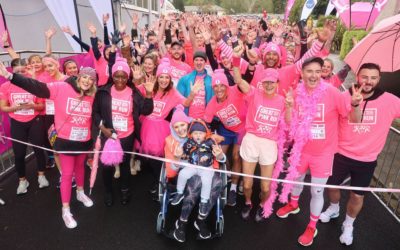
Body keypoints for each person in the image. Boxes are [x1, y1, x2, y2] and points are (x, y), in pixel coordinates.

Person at [275, 57, 363, 246]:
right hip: (300, 149)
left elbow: (352, 118)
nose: (314, 75)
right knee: (296, 180)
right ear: (302, 73)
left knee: (316, 191)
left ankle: (311, 226)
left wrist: (355, 104)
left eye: (317, 71)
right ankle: (293, 204)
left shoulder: (332, 93)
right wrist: (289, 108)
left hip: (323, 154)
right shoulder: (296, 93)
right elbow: (290, 124)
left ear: (322, 72)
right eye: (309, 71)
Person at [0, 63, 97, 229]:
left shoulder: (91, 95)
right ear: (79, 77)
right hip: (66, 141)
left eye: (91, 79)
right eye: (85, 77)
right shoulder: (61, 87)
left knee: (80, 168)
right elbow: (37, 87)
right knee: (67, 174)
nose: (87, 81)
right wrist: (11, 77)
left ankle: (80, 193)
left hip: (83, 140)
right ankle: (65, 210)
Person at [319, 63, 400, 246]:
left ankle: (349, 224)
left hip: (366, 159)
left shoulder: (390, 100)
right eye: (365, 77)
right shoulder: (343, 96)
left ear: (379, 79)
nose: (368, 81)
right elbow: (342, 119)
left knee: (357, 196)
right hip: (340, 154)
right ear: (357, 77)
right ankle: (333, 209)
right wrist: (354, 103)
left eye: (373, 77)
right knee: (332, 187)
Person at [231, 45, 293, 221]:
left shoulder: (282, 100)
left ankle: (261, 204)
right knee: (248, 183)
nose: (269, 85)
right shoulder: (253, 94)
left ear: (277, 84)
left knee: (266, 188)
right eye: (266, 82)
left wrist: (289, 107)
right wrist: (236, 59)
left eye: (272, 82)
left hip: (269, 143)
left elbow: (288, 122)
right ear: (262, 83)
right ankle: (249, 202)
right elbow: (238, 79)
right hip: (251, 140)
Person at [92, 57, 154, 206]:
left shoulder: (133, 93)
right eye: (117, 76)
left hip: (127, 135)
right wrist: (103, 129)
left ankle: (125, 189)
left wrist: (149, 94)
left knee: (125, 164)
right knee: (106, 166)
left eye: (123, 76)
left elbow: (146, 110)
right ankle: (108, 191)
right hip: (109, 135)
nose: (120, 79)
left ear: (128, 77)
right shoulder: (103, 92)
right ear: (112, 76)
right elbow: (95, 113)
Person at [164, 106, 224, 241]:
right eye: (176, 126)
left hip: (207, 169)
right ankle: (182, 222)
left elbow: (218, 156)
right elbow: (172, 168)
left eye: (183, 125)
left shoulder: (203, 136)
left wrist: (219, 155)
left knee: (217, 183)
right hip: (185, 173)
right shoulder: (171, 141)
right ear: (172, 128)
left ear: (188, 124)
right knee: (195, 183)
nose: (180, 129)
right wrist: (178, 157)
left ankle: (200, 219)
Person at [0, 58, 48, 194]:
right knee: (19, 154)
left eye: (23, 71)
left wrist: (33, 105)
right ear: (11, 71)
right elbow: (3, 107)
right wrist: (13, 108)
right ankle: (22, 180)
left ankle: (41, 175)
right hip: (17, 122)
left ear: (27, 69)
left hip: (34, 120)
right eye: (17, 72)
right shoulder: (5, 86)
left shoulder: (33, 84)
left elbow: (41, 105)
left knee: (39, 149)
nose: (21, 74)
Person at [203, 69, 247, 206]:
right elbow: (205, 124)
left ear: (227, 85)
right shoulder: (212, 104)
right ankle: (230, 173)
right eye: (216, 86)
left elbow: (244, 82)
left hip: (243, 128)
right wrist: (211, 134)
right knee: (220, 154)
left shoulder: (235, 90)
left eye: (222, 85)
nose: (219, 89)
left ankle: (233, 187)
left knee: (236, 156)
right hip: (226, 130)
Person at [171, 119, 226, 216]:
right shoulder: (188, 143)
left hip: (207, 168)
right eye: (195, 133)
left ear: (206, 134)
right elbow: (185, 154)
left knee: (207, 182)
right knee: (183, 174)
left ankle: (204, 202)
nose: (198, 135)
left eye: (201, 133)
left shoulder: (210, 142)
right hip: (192, 165)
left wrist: (219, 154)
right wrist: (179, 155)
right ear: (191, 134)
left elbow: (221, 157)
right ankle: (179, 193)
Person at [177, 51, 213, 119]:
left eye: (201, 60)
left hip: (204, 120)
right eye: (196, 60)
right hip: (187, 119)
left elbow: (213, 102)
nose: (199, 62)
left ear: (205, 63)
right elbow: (178, 101)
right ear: (193, 62)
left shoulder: (211, 80)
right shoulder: (184, 79)